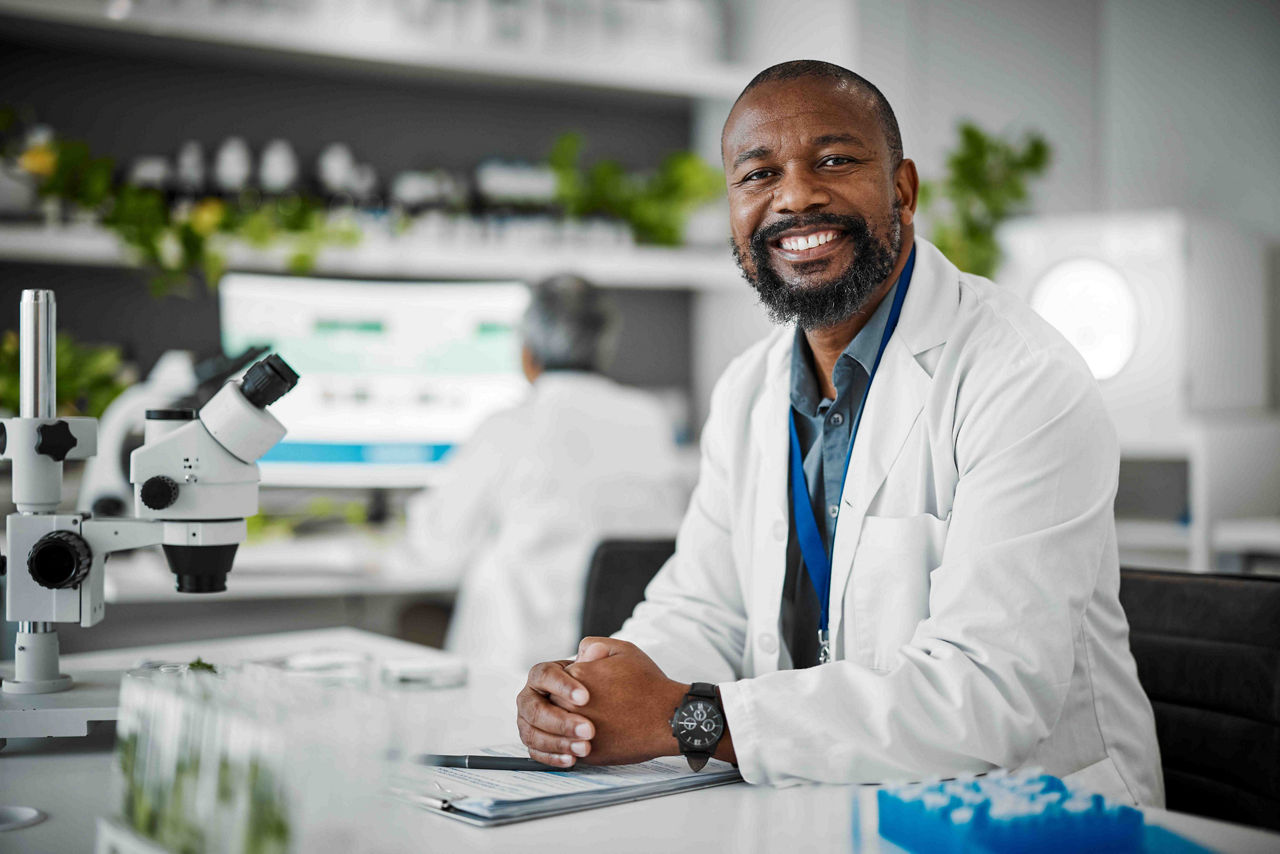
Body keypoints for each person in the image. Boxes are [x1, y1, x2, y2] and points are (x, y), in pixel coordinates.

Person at [514, 61, 1164, 806]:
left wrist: (685, 719)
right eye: (758, 175)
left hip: (1030, 817)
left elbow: (987, 692)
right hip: (829, 801)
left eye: (834, 160)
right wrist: (589, 695)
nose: (795, 196)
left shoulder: (1021, 377)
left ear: (904, 190)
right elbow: (703, 608)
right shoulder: (747, 390)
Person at [405, 275, 684, 671]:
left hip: (517, 671)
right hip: (615, 668)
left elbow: (439, 550)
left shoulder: (508, 427)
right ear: (603, 346)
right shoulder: (651, 420)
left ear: (527, 353)